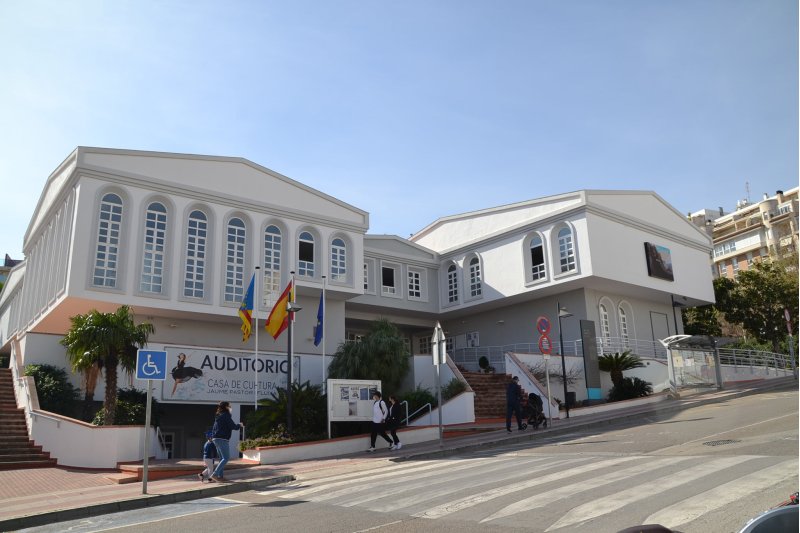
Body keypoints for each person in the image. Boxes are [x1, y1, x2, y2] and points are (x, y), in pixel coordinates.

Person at [209, 401, 244, 482]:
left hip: (216, 439)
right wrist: (239, 425)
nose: (230, 408)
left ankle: (220, 477)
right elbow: (233, 426)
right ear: (226, 407)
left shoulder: (218, 416)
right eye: (229, 406)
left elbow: (214, 428)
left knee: (222, 458)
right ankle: (214, 474)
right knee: (226, 458)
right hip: (222, 439)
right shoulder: (226, 416)